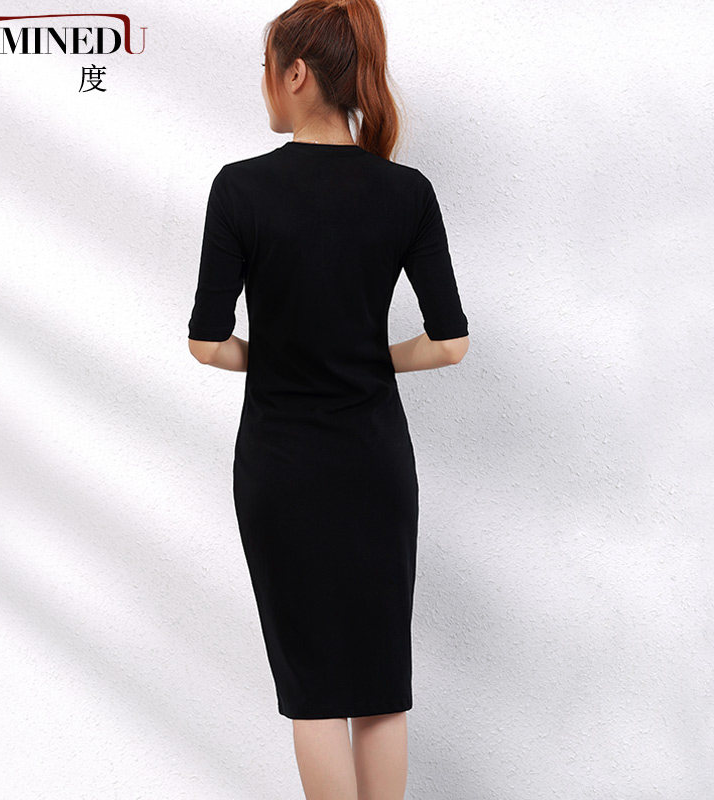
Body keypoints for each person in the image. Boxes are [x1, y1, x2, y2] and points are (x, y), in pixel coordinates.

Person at [188, 0, 469, 797]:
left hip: (281, 467)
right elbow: (449, 342)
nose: (264, 83)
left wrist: (284, 357)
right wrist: (367, 359)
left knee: (314, 693)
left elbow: (208, 342)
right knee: (381, 688)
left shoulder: (240, 189)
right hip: (375, 465)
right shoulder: (406, 192)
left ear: (297, 74)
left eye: (267, 68)